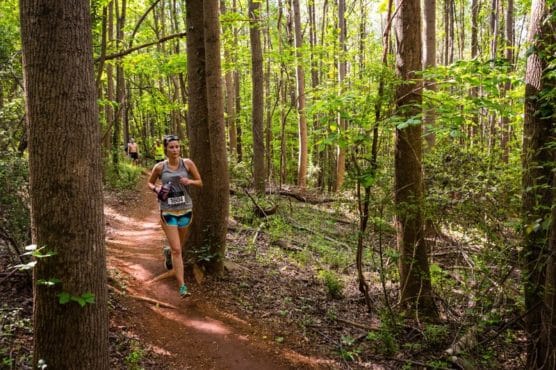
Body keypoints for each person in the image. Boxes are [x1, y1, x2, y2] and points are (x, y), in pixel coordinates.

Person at [147, 135, 202, 297]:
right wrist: (156, 189)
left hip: (185, 210)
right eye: (171, 147)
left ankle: (168, 253)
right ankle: (182, 286)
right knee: (177, 250)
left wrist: (189, 182)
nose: (175, 150)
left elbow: (200, 182)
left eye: (177, 147)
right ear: (166, 149)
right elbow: (149, 182)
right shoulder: (159, 167)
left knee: (178, 246)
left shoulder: (188, 163)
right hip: (168, 211)